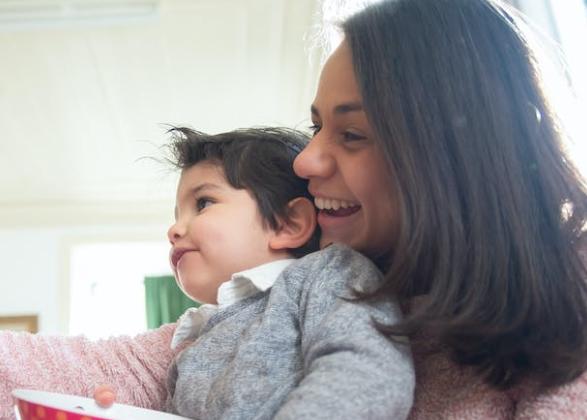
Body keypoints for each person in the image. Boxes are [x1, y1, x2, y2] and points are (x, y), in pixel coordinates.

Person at [2, 0, 587, 418]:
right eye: (315, 127)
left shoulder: (330, 284)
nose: (305, 163)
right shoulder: (216, 324)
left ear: (455, 151)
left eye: (351, 135)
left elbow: (360, 381)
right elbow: (64, 365)